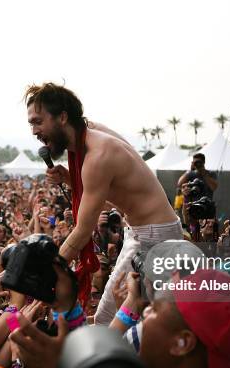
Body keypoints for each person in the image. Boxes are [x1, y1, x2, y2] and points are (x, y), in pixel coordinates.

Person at [25, 82, 182, 325]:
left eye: (38, 122)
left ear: (63, 117)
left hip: (154, 239)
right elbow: (116, 188)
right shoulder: (90, 132)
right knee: (109, 320)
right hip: (146, 231)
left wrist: (48, 273)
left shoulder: (97, 156)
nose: (34, 131)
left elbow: (82, 231)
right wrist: (69, 177)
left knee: (119, 324)